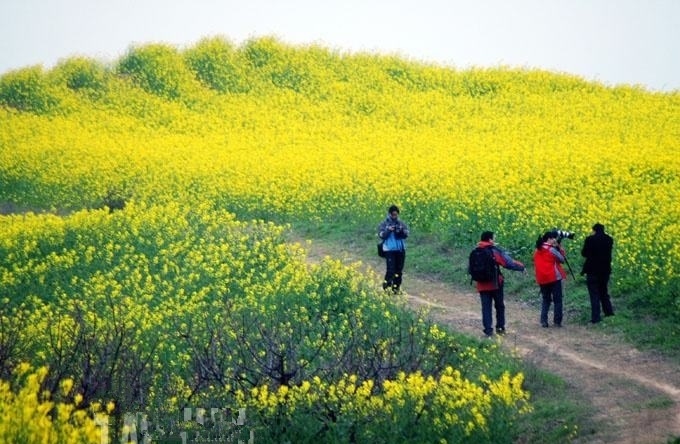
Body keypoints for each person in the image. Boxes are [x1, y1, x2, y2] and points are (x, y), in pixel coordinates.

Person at [473, 231, 526, 337]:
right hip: (495, 284)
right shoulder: (494, 251)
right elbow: (508, 263)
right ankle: (500, 328)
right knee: (499, 306)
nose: (495, 240)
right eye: (494, 238)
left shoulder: (475, 251)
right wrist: (521, 267)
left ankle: (488, 330)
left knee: (486, 307)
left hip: (481, 284)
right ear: (490, 239)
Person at [581, 223, 615, 323]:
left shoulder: (590, 239)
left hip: (592, 270)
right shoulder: (609, 239)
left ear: (594, 230)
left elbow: (584, 253)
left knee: (594, 294)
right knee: (604, 291)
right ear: (603, 229)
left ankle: (596, 318)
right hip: (605, 271)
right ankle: (609, 313)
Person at [534, 231, 567, 328]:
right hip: (553, 277)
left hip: (542, 278)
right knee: (557, 300)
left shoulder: (537, 250)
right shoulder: (551, 249)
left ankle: (543, 321)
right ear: (549, 239)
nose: (554, 240)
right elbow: (562, 259)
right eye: (553, 238)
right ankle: (557, 321)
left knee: (546, 300)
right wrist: (559, 248)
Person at [377, 205, 409, 293]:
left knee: (399, 270)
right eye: (393, 215)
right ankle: (386, 288)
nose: (395, 216)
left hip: (400, 250)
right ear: (389, 214)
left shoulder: (401, 223)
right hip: (389, 250)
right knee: (391, 270)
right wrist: (389, 230)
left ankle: (396, 289)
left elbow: (406, 234)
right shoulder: (384, 224)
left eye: (396, 215)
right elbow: (381, 235)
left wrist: (401, 230)